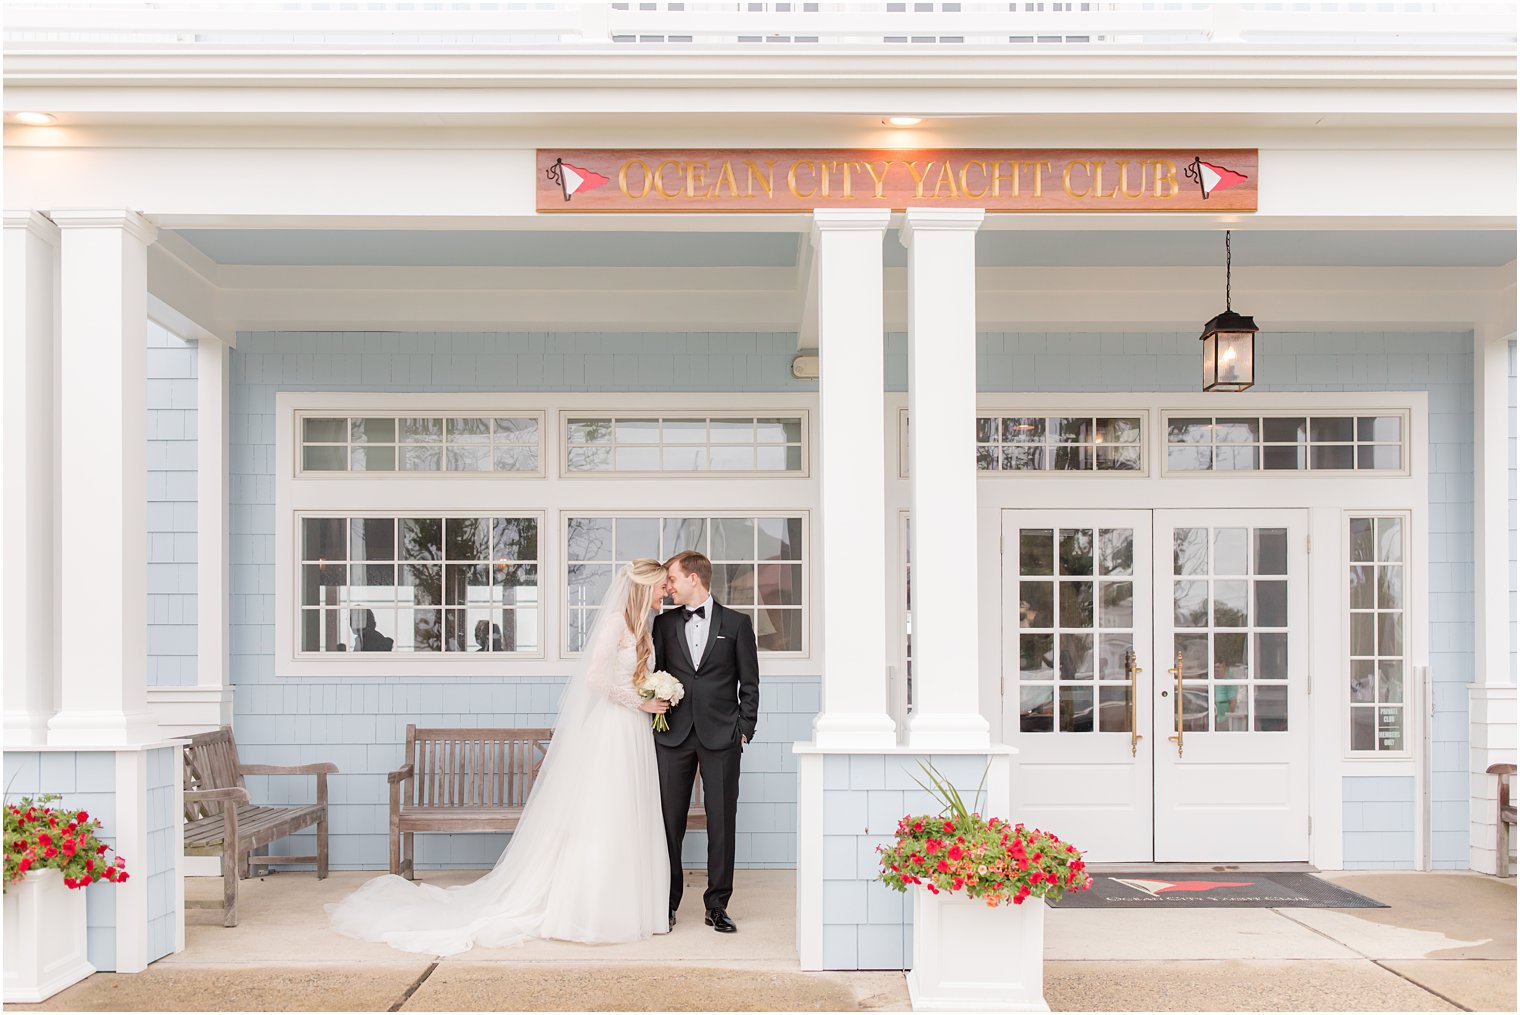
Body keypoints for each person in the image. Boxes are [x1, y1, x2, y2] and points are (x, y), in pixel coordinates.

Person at [327, 559, 673, 955]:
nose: (665, 592)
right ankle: (591, 910)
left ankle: (632, 908)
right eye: (662, 585)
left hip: (633, 732)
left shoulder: (641, 627)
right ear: (645, 586)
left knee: (629, 813)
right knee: (605, 815)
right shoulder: (615, 622)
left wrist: (649, 694)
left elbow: (625, 676)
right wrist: (639, 701)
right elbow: (596, 680)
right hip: (613, 729)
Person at [653, 550, 760, 934]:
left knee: (722, 822)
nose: (669, 587)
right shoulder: (662, 625)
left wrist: (744, 729)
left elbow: (750, 683)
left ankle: (717, 905)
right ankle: (665, 903)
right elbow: (655, 673)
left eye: (673, 580)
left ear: (693, 578)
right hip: (673, 737)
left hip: (722, 737)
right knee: (668, 822)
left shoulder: (737, 623)